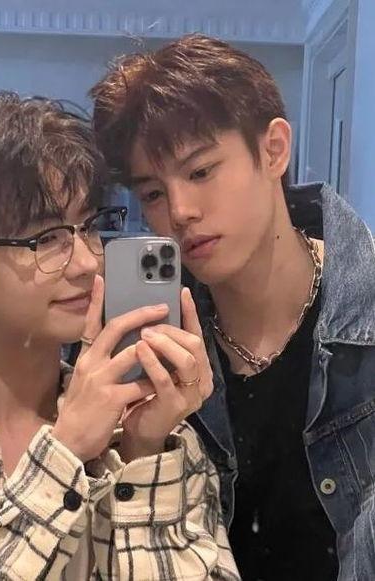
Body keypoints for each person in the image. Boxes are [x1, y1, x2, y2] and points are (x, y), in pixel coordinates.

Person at [0, 93, 240, 579]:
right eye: (45, 238)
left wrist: (143, 452)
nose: (88, 262)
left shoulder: (157, 432)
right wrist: (62, 454)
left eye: (89, 227)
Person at [88, 34, 375, 581]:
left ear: (273, 150)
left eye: (200, 171)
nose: (180, 212)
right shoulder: (149, 339)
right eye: (152, 194)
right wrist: (142, 442)